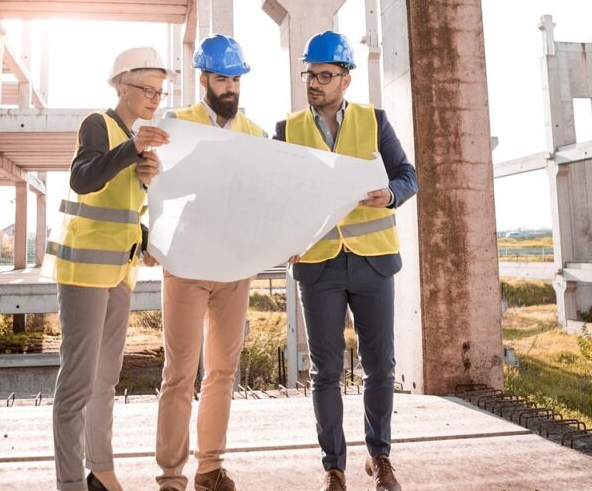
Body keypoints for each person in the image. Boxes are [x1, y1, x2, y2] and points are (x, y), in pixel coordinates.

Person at [274, 31, 418, 491]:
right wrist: (284, 237)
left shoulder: (374, 121)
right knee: (326, 372)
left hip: (372, 262)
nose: (314, 83)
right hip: (318, 265)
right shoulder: (288, 129)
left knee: (381, 366)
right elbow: (277, 194)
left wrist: (391, 194)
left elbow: (407, 175)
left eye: (324, 75)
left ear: (346, 79)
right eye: (309, 74)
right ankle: (333, 467)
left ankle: (380, 458)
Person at [49, 46, 172, 491]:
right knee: (78, 384)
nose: (155, 97)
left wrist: (143, 184)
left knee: (104, 381)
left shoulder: (133, 137)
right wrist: (131, 149)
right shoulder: (97, 124)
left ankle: (100, 471)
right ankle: (69, 483)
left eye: (160, 91)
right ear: (122, 86)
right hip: (83, 274)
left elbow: (121, 211)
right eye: (146, 89)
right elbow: (83, 179)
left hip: (120, 273)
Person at [155, 34, 267, 491]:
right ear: (204, 79)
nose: (231, 88)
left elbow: (266, 199)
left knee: (221, 372)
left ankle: (209, 468)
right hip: (186, 264)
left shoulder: (256, 134)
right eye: (222, 79)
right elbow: (155, 186)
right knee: (179, 373)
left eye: (236, 80)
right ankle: (170, 476)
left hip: (235, 267)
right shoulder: (176, 124)